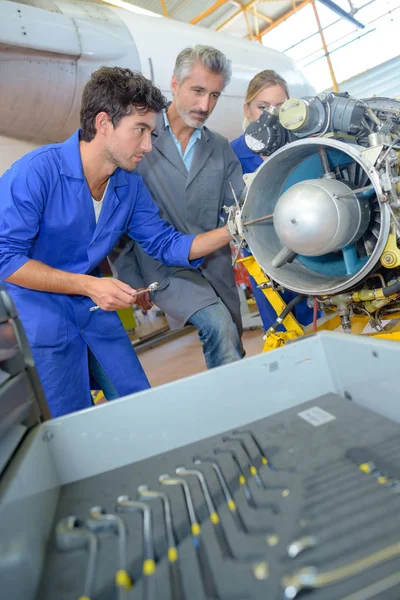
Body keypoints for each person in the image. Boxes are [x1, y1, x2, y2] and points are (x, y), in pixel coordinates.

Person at [0, 67, 234, 418]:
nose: (147, 145)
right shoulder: (35, 172)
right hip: (38, 313)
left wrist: (234, 228)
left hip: (93, 311)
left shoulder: (128, 184)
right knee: (69, 424)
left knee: (139, 406)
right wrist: (89, 285)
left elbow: (165, 244)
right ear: (104, 123)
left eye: (151, 133)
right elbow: (5, 258)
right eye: (140, 130)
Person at [117, 46, 245, 370]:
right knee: (218, 325)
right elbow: (118, 220)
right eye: (198, 91)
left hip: (214, 266)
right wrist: (131, 279)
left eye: (215, 95)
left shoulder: (220, 148)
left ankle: (238, 405)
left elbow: (240, 208)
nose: (205, 105)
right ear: (174, 85)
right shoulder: (141, 139)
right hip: (164, 269)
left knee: (233, 344)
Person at [231, 70, 315, 330]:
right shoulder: (233, 152)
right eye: (262, 106)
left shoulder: (302, 143)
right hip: (261, 251)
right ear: (247, 110)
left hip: (308, 242)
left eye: (280, 106)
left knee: (317, 315)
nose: (271, 113)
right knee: (279, 323)